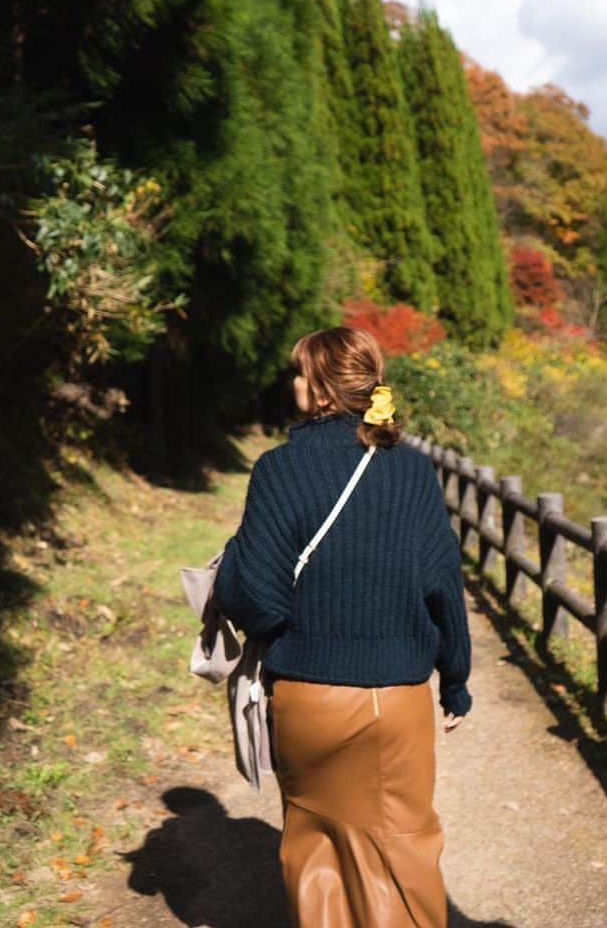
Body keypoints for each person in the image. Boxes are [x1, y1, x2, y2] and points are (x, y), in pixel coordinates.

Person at [213, 325, 471, 928]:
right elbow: (443, 586)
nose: (295, 384)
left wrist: (230, 568)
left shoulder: (279, 469)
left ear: (323, 390)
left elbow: (257, 598)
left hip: (308, 698)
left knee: (315, 853)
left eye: (301, 373)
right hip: (397, 700)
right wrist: (454, 679)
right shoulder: (412, 471)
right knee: (401, 856)